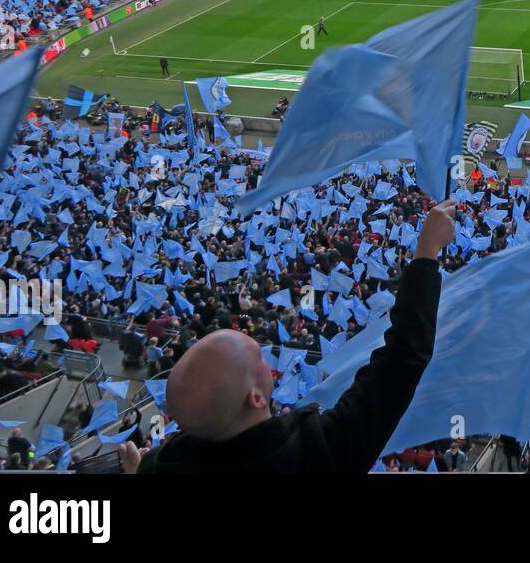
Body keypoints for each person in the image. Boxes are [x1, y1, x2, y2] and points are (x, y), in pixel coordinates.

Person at [134, 201, 455, 473]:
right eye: (258, 358)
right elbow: (401, 362)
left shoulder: (163, 465)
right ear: (256, 398)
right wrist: (426, 254)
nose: (267, 356)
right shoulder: (316, 453)